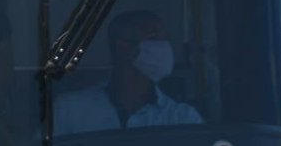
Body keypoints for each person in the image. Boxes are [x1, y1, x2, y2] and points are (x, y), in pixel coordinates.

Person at [53, 8, 202, 135]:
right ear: (123, 48)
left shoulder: (182, 119)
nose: (164, 47)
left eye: (166, 40)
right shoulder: (69, 111)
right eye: (154, 37)